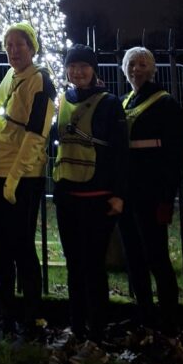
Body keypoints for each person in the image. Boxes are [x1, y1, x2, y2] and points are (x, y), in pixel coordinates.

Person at [0, 23, 55, 339]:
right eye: (9, 45)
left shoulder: (40, 81)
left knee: (22, 247)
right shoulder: (11, 77)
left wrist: (13, 179)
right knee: (0, 248)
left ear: (32, 47)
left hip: (22, 180)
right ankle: (6, 314)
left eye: (20, 44)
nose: (13, 50)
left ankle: (33, 315)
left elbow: (36, 136)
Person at [53, 43, 127, 344]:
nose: (78, 71)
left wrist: (119, 193)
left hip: (98, 195)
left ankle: (97, 330)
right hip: (67, 194)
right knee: (74, 264)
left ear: (93, 69)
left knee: (94, 265)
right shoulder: (63, 100)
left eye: (83, 66)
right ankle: (77, 325)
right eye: (72, 66)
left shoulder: (109, 104)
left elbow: (121, 151)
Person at [118, 46, 183, 333]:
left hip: (151, 192)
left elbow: (175, 153)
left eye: (143, 64)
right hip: (126, 191)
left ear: (153, 68)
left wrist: (166, 196)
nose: (137, 69)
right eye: (132, 64)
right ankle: (144, 313)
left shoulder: (165, 103)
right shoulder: (124, 102)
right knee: (133, 256)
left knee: (156, 255)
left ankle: (170, 319)